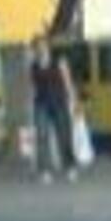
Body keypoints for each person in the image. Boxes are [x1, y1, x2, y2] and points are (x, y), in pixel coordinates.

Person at [30, 41, 77, 183]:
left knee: (64, 135)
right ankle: (44, 170)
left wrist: (73, 100)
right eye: (37, 48)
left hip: (60, 103)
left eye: (42, 46)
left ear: (47, 47)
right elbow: (33, 86)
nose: (40, 50)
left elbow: (68, 81)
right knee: (42, 136)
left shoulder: (59, 62)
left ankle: (69, 167)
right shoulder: (34, 66)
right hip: (41, 104)